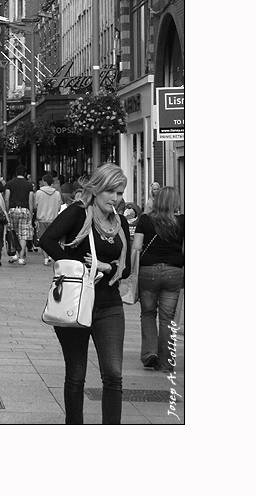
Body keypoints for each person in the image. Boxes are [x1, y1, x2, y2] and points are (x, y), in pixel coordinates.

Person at [39, 163, 132, 425]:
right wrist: (75, 268)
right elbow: (46, 240)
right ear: (97, 189)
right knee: (77, 374)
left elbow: (126, 271)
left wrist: (107, 267)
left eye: (120, 193)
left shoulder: (120, 221)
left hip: (109, 305)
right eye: (111, 192)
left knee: (113, 373)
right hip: (75, 302)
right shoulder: (78, 213)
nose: (115, 199)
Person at [134, 186, 184, 372]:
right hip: (174, 272)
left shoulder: (145, 220)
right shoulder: (183, 222)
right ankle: (166, 361)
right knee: (167, 318)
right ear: (175, 202)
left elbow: (137, 247)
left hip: (148, 272)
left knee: (148, 313)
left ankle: (149, 353)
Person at [4, 165, 35, 265]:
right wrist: (30, 212)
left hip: (12, 210)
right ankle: (21, 258)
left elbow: (6, 198)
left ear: (16, 173)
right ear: (25, 174)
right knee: (23, 235)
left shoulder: (9, 183)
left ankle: (14, 254)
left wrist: (7, 210)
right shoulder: (29, 185)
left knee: (13, 233)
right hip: (24, 210)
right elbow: (30, 200)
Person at [34, 174, 63, 266]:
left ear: (45, 182)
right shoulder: (57, 193)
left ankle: (46, 258)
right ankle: (51, 255)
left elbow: (35, 206)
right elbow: (59, 207)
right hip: (53, 219)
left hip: (41, 219)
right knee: (53, 239)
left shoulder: (38, 193)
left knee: (42, 239)